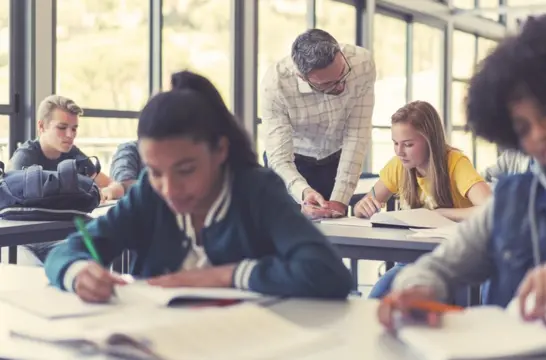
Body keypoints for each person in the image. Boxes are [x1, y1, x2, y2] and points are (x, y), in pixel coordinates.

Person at [378, 15, 546, 330]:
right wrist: (417, 290)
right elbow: (438, 267)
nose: (538, 135)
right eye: (522, 127)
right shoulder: (514, 200)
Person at [44, 71, 353, 303]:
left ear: (219, 150)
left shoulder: (256, 190)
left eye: (186, 170)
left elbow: (328, 274)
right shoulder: (148, 195)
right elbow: (66, 251)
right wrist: (77, 273)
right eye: (155, 171)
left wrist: (224, 276)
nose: (169, 188)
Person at [353, 100, 492, 299]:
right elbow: (366, 202)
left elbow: (491, 208)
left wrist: (443, 214)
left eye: (408, 144)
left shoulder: (455, 163)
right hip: (413, 259)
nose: (399, 152)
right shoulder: (399, 165)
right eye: (395, 143)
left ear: (430, 141)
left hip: (457, 260)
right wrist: (362, 207)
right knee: (379, 295)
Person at [261, 29, 376, 219]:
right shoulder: (275, 85)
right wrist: (304, 194)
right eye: (327, 84)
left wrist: (340, 199)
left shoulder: (362, 63)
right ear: (302, 77)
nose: (340, 86)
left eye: (342, 74)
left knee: (334, 231)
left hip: (335, 159)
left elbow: (357, 135)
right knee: (288, 229)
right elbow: (279, 159)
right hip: (292, 161)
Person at [9, 95, 115, 264]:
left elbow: (109, 183)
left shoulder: (72, 153)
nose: (69, 135)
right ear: (41, 127)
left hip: (60, 236)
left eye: (74, 129)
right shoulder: (23, 159)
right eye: (62, 127)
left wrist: (108, 191)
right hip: (26, 242)